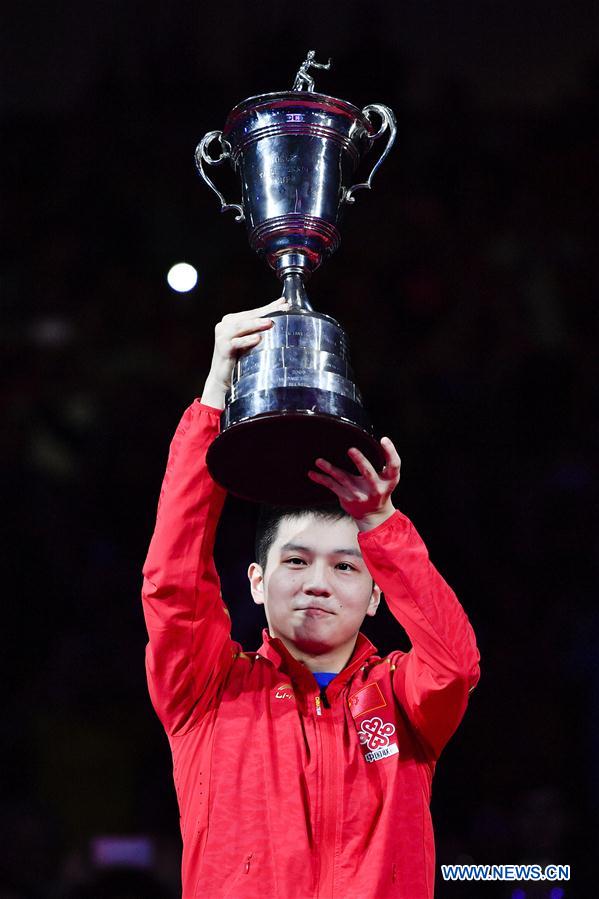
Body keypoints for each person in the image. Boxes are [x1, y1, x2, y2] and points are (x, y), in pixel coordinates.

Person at [141, 298, 481, 899]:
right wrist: (214, 399)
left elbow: (456, 666)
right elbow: (174, 583)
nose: (318, 582)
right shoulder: (206, 691)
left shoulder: (403, 698)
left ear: (377, 594)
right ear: (255, 581)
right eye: (295, 561)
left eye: (346, 566)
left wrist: (383, 524)